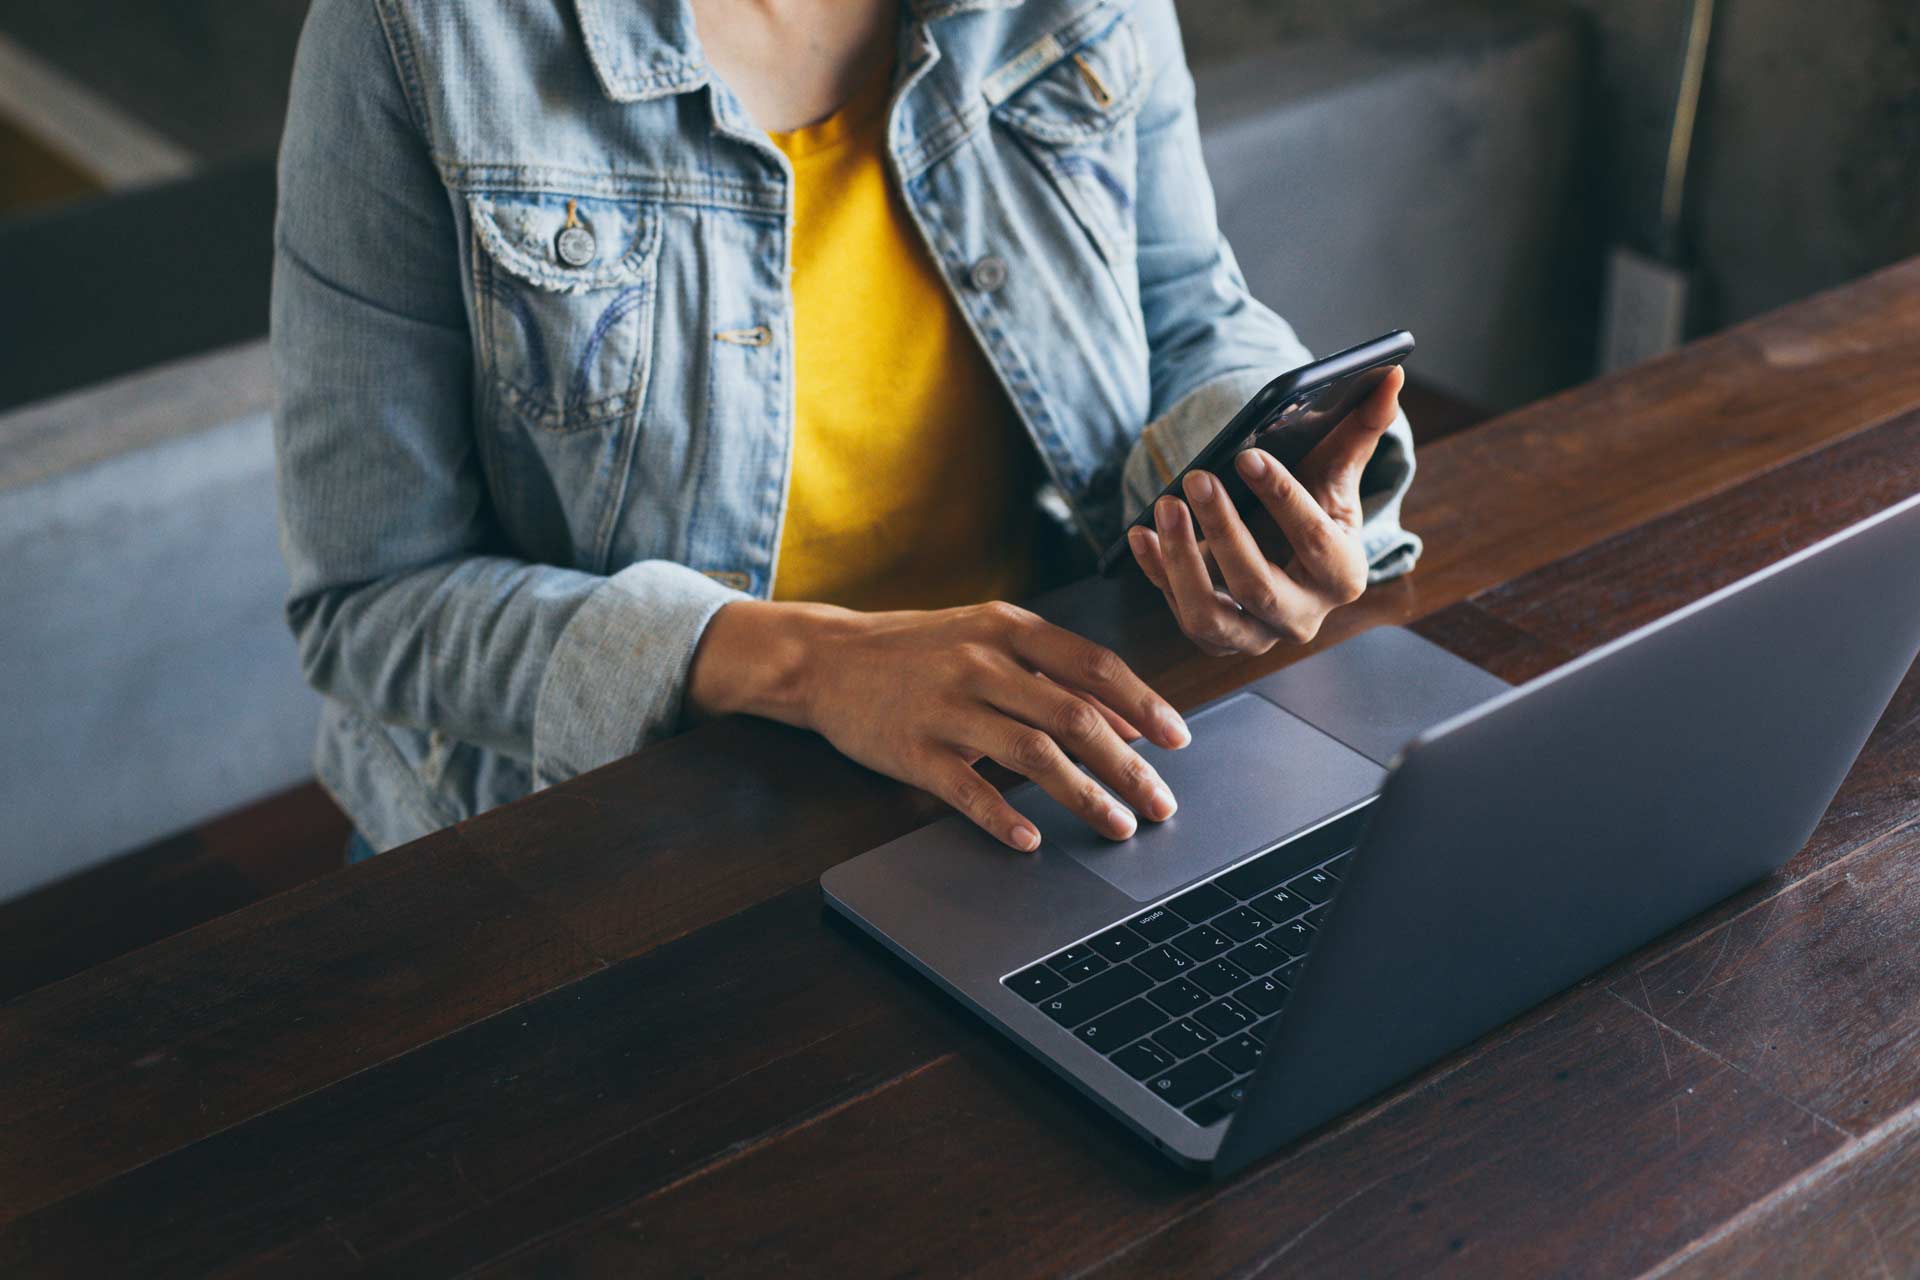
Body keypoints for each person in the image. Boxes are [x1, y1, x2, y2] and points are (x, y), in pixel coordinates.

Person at [271, 0, 1422, 862]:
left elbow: (1183, 308)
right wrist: (808, 664)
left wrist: (1266, 496)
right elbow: (370, 603)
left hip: (1043, 760)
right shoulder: (416, 33)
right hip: (613, 840)